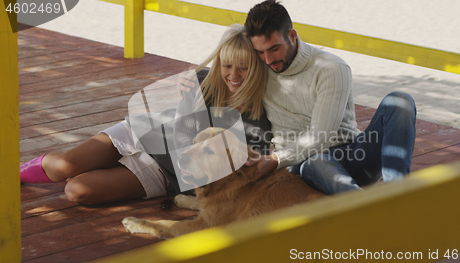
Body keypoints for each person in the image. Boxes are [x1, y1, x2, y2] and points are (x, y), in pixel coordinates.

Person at [20, 24, 272, 205]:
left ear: (257, 68)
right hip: (144, 133)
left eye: (244, 67)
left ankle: (101, 168)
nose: (233, 75)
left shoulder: (260, 120)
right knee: (65, 165)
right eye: (227, 65)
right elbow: (180, 134)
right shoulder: (201, 81)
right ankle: (11, 175)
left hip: (167, 172)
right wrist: (188, 96)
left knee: (77, 190)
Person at [242, 0, 416, 195]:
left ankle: (398, 195)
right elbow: (228, 51)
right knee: (316, 160)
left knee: (400, 102)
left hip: (352, 156)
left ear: (292, 36)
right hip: (303, 165)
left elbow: (320, 137)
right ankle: (367, 207)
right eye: (260, 52)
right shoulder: (259, 68)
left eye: (274, 48)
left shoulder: (331, 68)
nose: (268, 60)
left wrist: (275, 159)